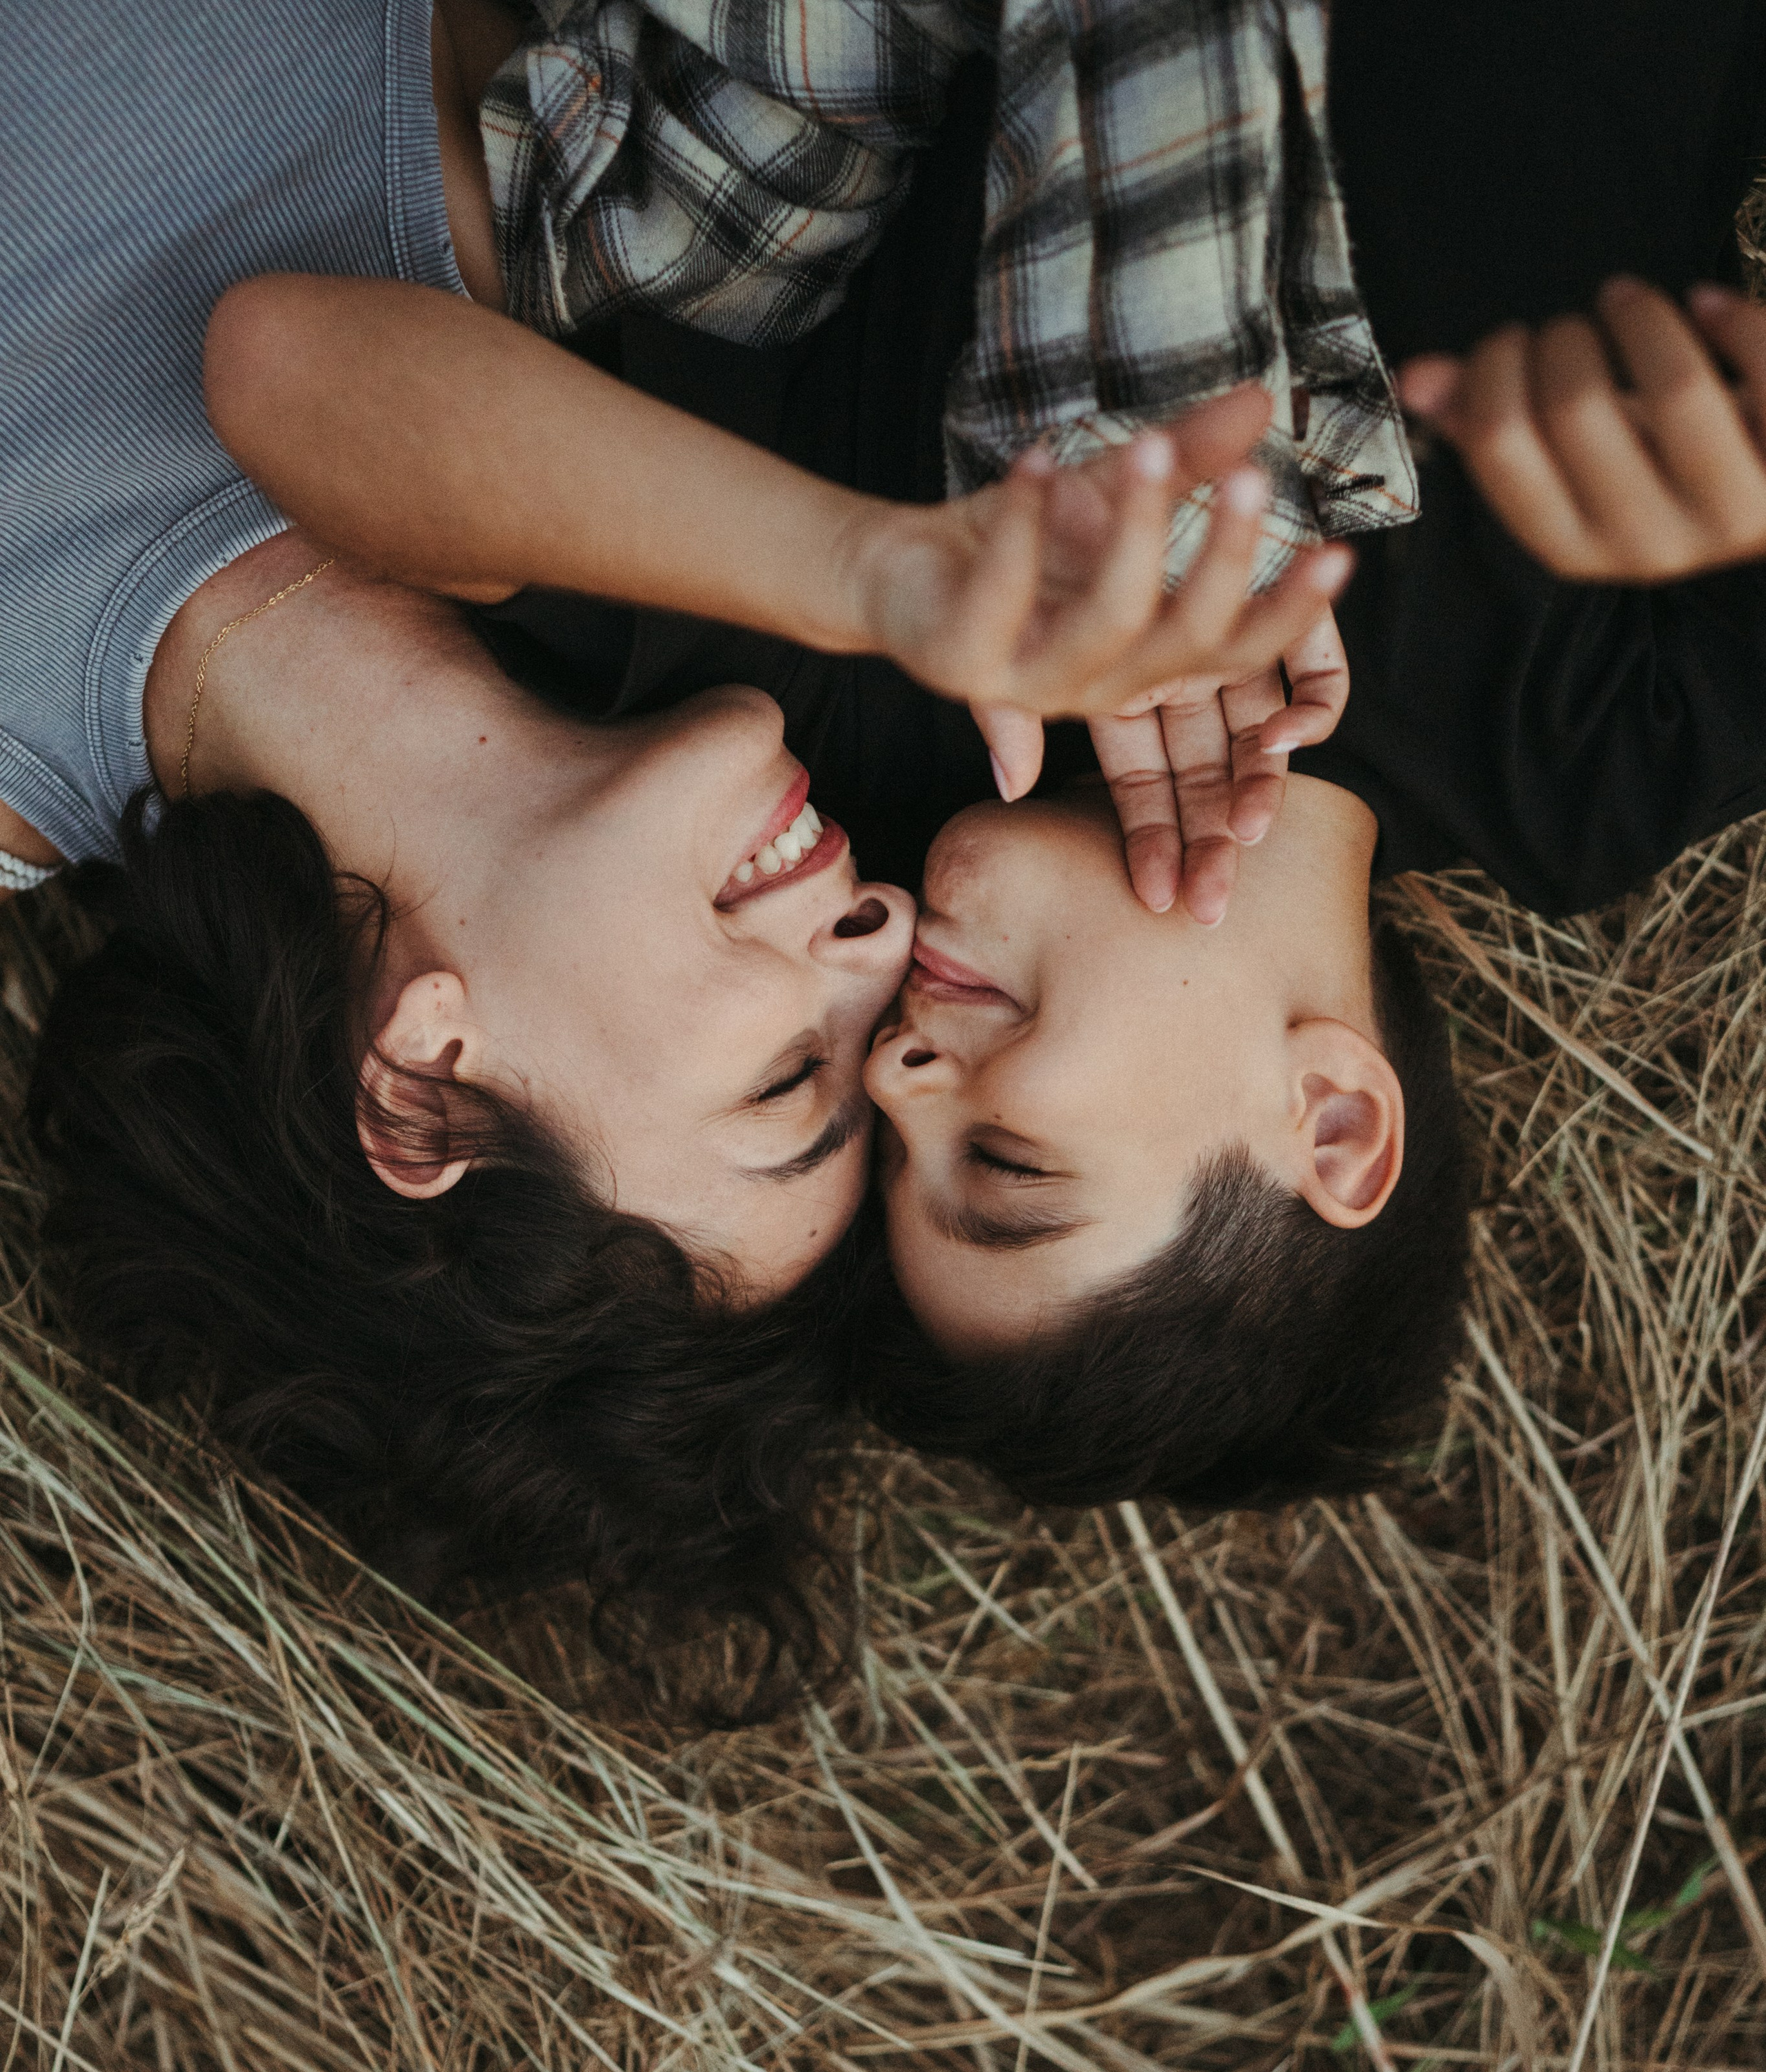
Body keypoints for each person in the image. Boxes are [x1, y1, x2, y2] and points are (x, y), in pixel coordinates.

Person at [3, 0, 1338, 1637]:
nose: (887, 941)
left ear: (423, 1091)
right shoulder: (647, 238)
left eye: (792, 1075)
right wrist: (1110, 468)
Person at [851, 0, 1766, 1516]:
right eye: (1003, 1168)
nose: (893, 1076)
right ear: (1329, 1120)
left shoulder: (909, 660)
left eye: (879, 1141)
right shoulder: (1591, 769)